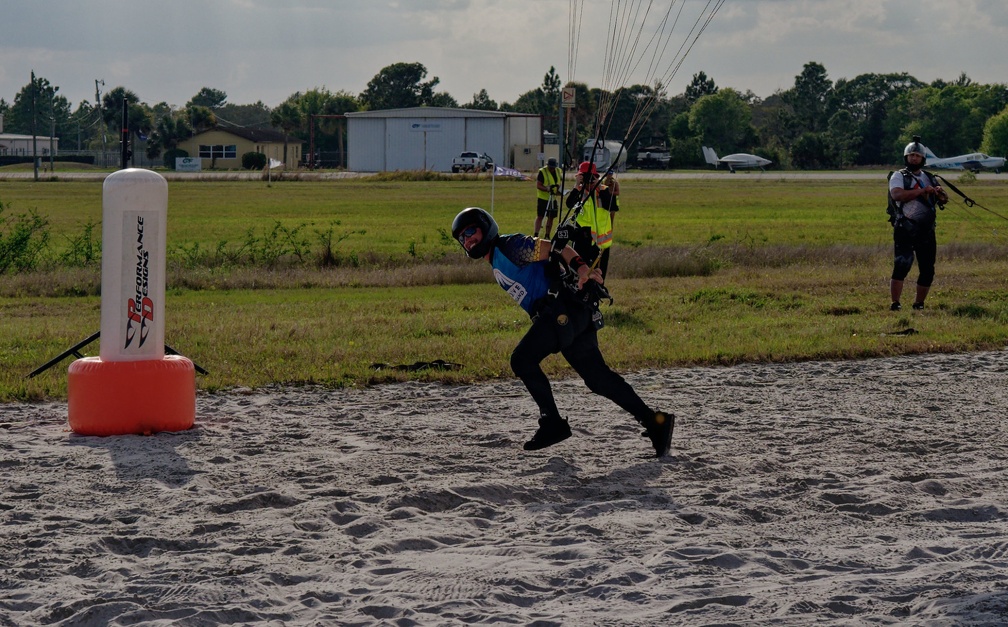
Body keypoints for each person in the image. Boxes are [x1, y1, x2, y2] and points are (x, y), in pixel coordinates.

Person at [451, 206, 674, 457]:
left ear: (486, 227)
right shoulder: (497, 260)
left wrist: (581, 268)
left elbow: (558, 247)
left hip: (561, 312)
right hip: (570, 313)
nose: (468, 240)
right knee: (598, 378)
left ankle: (552, 423)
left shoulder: (509, 247)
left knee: (522, 359)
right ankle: (657, 423)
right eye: (462, 238)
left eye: (471, 232)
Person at [888, 136, 948, 311]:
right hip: (905, 228)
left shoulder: (930, 177)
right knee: (902, 265)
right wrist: (922, 191)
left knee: (928, 268)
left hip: (926, 231)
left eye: (917, 156)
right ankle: (895, 303)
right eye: (911, 155)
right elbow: (897, 195)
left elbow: (944, 199)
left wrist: (939, 193)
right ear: (906, 157)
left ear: (923, 159)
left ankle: (919, 304)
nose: (914, 158)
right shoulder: (898, 176)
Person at [566, 161, 617, 279]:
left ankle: (596, 293)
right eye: (584, 177)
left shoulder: (603, 190)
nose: (588, 181)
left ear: (596, 177)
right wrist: (576, 186)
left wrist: (597, 186)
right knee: (579, 271)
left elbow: (612, 207)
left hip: (600, 241)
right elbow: (569, 204)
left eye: (591, 177)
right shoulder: (579, 191)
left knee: (599, 273)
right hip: (582, 238)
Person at [534, 158, 563, 238]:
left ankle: (547, 235)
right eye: (550, 167)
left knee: (551, 217)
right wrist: (547, 188)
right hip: (543, 198)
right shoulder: (542, 171)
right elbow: (538, 185)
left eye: (553, 167)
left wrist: (559, 191)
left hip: (553, 198)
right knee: (540, 216)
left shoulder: (558, 171)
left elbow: (558, 183)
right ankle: (536, 234)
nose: (552, 169)